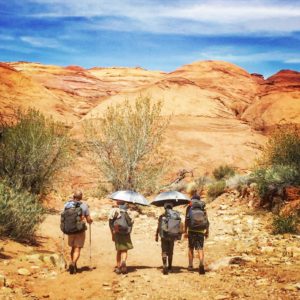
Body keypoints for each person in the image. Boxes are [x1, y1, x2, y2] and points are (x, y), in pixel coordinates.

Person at [62, 190, 93, 275]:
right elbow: (88, 219)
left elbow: (63, 217)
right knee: (77, 248)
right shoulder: (84, 206)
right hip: (80, 230)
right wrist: (90, 221)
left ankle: (73, 264)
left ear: (73, 196)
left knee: (72, 247)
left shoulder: (67, 205)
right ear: (81, 197)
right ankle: (73, 262)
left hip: (70, 230)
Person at [184, 193, 209, 275]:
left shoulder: (189, 207)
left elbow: (187, 220)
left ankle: (190, 265)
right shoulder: (203, 208)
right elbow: (207, 221)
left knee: (191, 247)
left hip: (191, 230)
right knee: (200, 248)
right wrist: (207, 231)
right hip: (201, 231)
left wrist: (185, 231)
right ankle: (201, 263)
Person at [155, 202, 182, 275]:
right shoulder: (175, 216)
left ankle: (164, 265)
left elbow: (159, 226)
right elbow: (179, 226)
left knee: (164, 251)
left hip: (164, 236)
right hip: (172, 236)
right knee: (170, 252)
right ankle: (170, 267)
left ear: (165, 208)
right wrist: (178, 235)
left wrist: (156, 235)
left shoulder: (161, 216)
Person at [108, 201, 134, 274]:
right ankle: (124, 263)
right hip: (126, 233)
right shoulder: (128, 212)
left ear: (119, 203)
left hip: (117, 232)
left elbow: (110, 224)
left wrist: (112, 233)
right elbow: (131, 223)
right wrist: (129, 231)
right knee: (125, 249)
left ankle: (119, 267)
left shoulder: (115, 211)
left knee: (119, 250)